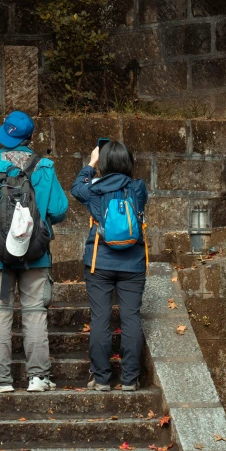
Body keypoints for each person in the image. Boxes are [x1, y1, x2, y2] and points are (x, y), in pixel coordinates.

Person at [0, 111, 68, 393]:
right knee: (35, 313)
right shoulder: (44, 166)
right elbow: (59, 209)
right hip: (36, 256)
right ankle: (38, 378)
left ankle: (1, 380)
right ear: (29, 138)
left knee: (1, 313)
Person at [71, 141, 149, 392]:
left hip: (99, 262)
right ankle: (129, 379)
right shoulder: (138, 188)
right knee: (131, 319)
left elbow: (75, 188)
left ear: (103, 164)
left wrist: (91, 164)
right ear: (128, 163)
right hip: (133, 264)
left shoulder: (93, 189)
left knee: (101, 319)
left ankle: (102, 378)